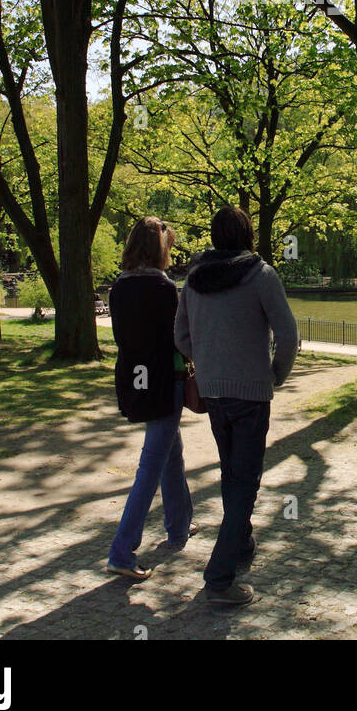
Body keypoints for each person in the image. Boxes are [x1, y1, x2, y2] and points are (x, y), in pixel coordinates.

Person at [174, 205, 298, 607]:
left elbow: (180, 334)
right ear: (247, 234)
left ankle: (240, 545)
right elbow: (288, 333)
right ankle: (218, 578)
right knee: (245, 482)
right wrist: (274, 373)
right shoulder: (260, 274)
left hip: (214, 394)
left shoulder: (193, 279)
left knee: (232, 473)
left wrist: (208, 365)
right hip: (250, 393)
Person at [106, 217, 193, 581]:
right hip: (163, 383)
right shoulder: (163, 288)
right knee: (151, 466)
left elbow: (125, 339)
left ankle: (179, 527)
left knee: (171, 454)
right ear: (159, 250)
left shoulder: (118, 288)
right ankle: (122, 551)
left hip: (133, 381)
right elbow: (175, 339)